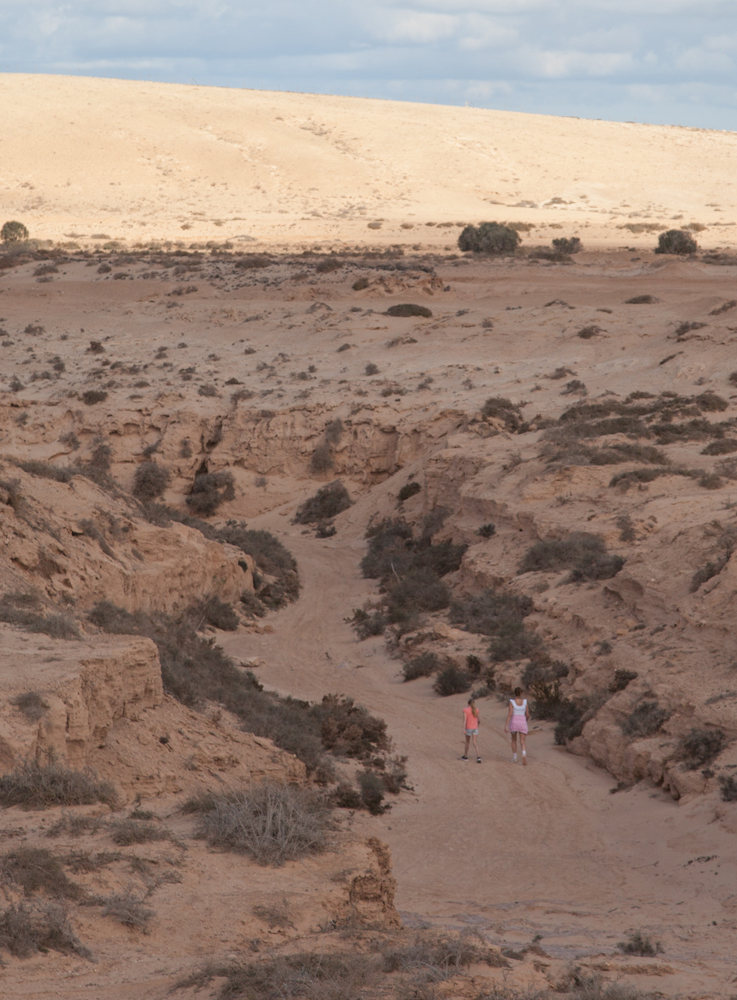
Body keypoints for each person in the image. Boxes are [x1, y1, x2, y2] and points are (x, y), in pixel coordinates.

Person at [505, 687, 530, 765]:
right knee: (522, 742)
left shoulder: (512, 702)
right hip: (522, 721)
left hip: (514, 721)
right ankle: (523, 754)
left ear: (515, 693)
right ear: (521, 693)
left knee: (514, 740)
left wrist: (506, 725)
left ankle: (515, 757)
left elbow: (510, 714)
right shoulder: (525, 702)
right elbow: (528, 714)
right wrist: (525, 720)